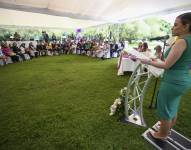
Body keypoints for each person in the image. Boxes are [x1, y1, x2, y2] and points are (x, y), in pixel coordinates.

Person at [140, 12, 191, 139]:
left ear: (186, 26)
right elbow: (175, 63)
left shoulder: (181, 42)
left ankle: (162, 134)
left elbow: (167, 65)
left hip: (173, 81)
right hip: (182, 80)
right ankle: (167, 130)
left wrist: (147, 61)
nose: (172, 28)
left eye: (175, 25)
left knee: (165, 109)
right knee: (172, 107)